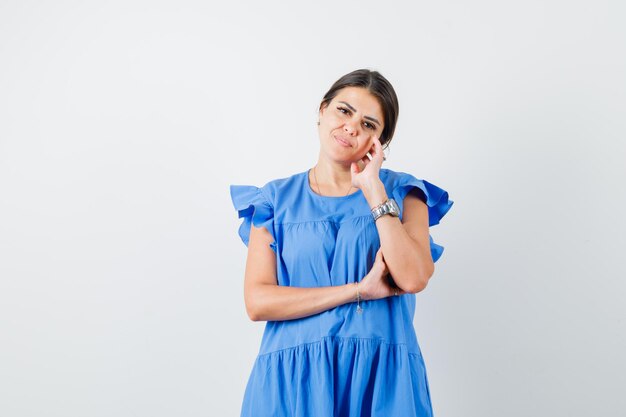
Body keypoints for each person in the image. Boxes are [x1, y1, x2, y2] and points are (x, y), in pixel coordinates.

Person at [229, 68, 453, 417]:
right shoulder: (273, 200)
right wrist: (357, 290)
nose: (351, 127)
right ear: (322, 111)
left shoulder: (403, 193)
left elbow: (413, 277)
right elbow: (258, 301)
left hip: (381, 382)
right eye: (344, 111)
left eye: (369, 124)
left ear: (380, 143)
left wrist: (374, 188)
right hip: (292, 381)